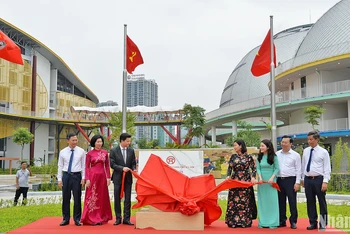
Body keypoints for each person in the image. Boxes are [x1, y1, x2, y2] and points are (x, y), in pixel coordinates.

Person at [301, 131, 331, 231]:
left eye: (311, 139)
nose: (309, 141)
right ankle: (312, 222)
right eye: (308, 139)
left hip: (319, 179)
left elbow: (327, 168)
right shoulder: (305, 151)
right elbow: (303, 165)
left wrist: (325, 181)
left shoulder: (323, 152)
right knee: (310, 201)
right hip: (308, 179)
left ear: (317, 139)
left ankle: (323, 223)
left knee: (321, 202)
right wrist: (302, 178)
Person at [81, 135, 112, 225]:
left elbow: (107, 165)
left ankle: (101, 216)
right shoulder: (90, 153)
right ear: (94, 143)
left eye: (101, 142)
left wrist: (108, 177)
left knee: (102, 196)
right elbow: (86, 167)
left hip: (102, 177)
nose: (99, 143)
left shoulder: (105, 153)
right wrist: (87, 179)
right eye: (97, 142)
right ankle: (91, 218)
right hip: (93, 176)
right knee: (92, 195)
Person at [225, 139, 257, 228]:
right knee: (234, 200)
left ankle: (244, 221)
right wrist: (228, 176)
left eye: (235, 145)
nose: (234, 147)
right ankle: (233, 222)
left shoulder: (248, 157)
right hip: (234, 181)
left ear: (241, 146)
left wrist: (253, 177)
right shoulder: (233, 157)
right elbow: (229, 168)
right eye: (234, 145)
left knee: (244, 201)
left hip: (245, 182)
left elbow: (253, 169)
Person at [57, 133, 86, 226]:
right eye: (73, 140)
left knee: (77, 198)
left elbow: (84, 166)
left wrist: (83, 178)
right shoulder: (63, 152)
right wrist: (59, 179)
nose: (75, 142)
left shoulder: (81, 151)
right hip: (66, 175)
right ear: (68, 141)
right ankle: (65, 219)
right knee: (66, 198)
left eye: (76, 140)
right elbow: (60, 166)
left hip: (77, 176)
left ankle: (77, 219)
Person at [110, 133, 136, 226]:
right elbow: (112, 164)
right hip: (118, 178)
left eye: (129, 141)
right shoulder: (113, 150)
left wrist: (134, 168)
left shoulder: (131, 151)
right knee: (117, 198)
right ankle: (118, 218)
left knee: (128, 198)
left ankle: (127, 219)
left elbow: (133, 162)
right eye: (127, 141)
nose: (129, 143)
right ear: (122, 141)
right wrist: (122, 168)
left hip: (128, 178)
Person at [276, 135, 301, 229]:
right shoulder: (277, 154)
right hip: (279, 180)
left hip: (291, 180)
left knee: (292, 201)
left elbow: (299, 170)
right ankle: (282, 220)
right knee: (280, 201)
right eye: (282, 142)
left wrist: (297, 182)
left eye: (285, 142)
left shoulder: (295, 155)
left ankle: (293, 221)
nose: (283, 144)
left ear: (290, 144)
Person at [256, 139, 280, 229]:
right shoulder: (259, 157)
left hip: (271, 182)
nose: (261, 147)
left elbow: (277, 168)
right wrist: (260, 178)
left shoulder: (274, 157)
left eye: (262, 146)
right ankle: (263, 221)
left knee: (272, 201)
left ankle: (273, 222)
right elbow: (258, 168)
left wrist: (272, 178)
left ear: (268, 147)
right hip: (262, 182)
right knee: (263, 201)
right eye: (260, 146)